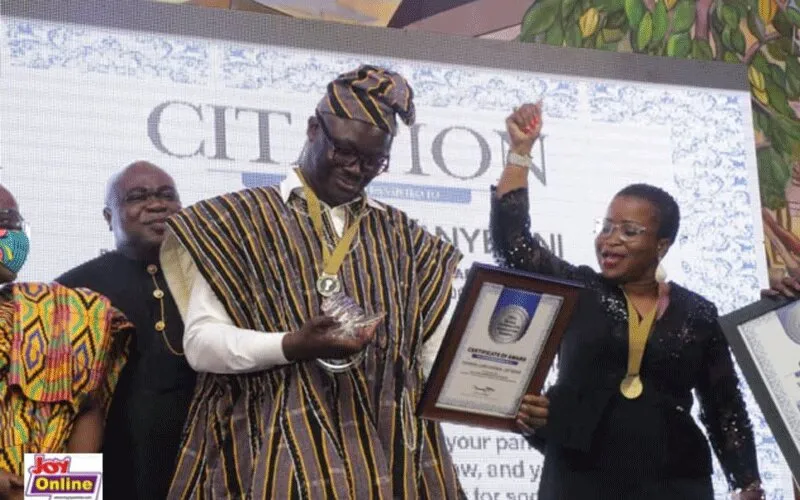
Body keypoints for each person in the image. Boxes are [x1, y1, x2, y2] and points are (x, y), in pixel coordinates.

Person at [159, 65, 464, 498]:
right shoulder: (235, 220)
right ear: (312, 129)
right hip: (268, 454)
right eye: (346, 151)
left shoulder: (409, 242)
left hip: (390, 460)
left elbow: (435, 362)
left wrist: (502, 399)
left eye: (375, 161)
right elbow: (202, 344)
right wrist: (292, 345)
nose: (358, 170)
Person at [491, 103, 765, 500]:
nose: (610, 238)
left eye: (630, 230)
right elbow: (513, 248)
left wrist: (747, 482)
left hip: (674, 480)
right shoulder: (580, 288)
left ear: (662, 245)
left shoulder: (698, 312)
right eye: (606, 227)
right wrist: (520, 152)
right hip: (580, 475)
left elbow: (724, 406)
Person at [56, 161, 196, 500]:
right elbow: (57, 408)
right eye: (137, 197)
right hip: (111, 470)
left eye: (167, 195)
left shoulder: (208, 280)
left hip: (199, 464)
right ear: (109, 217)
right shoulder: (70, 291)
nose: (157, 204)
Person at [0, 184, 129, 500]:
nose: (8, 234)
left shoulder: (67, 311)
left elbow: (88, 405)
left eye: (13, 222)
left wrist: (59, 487)